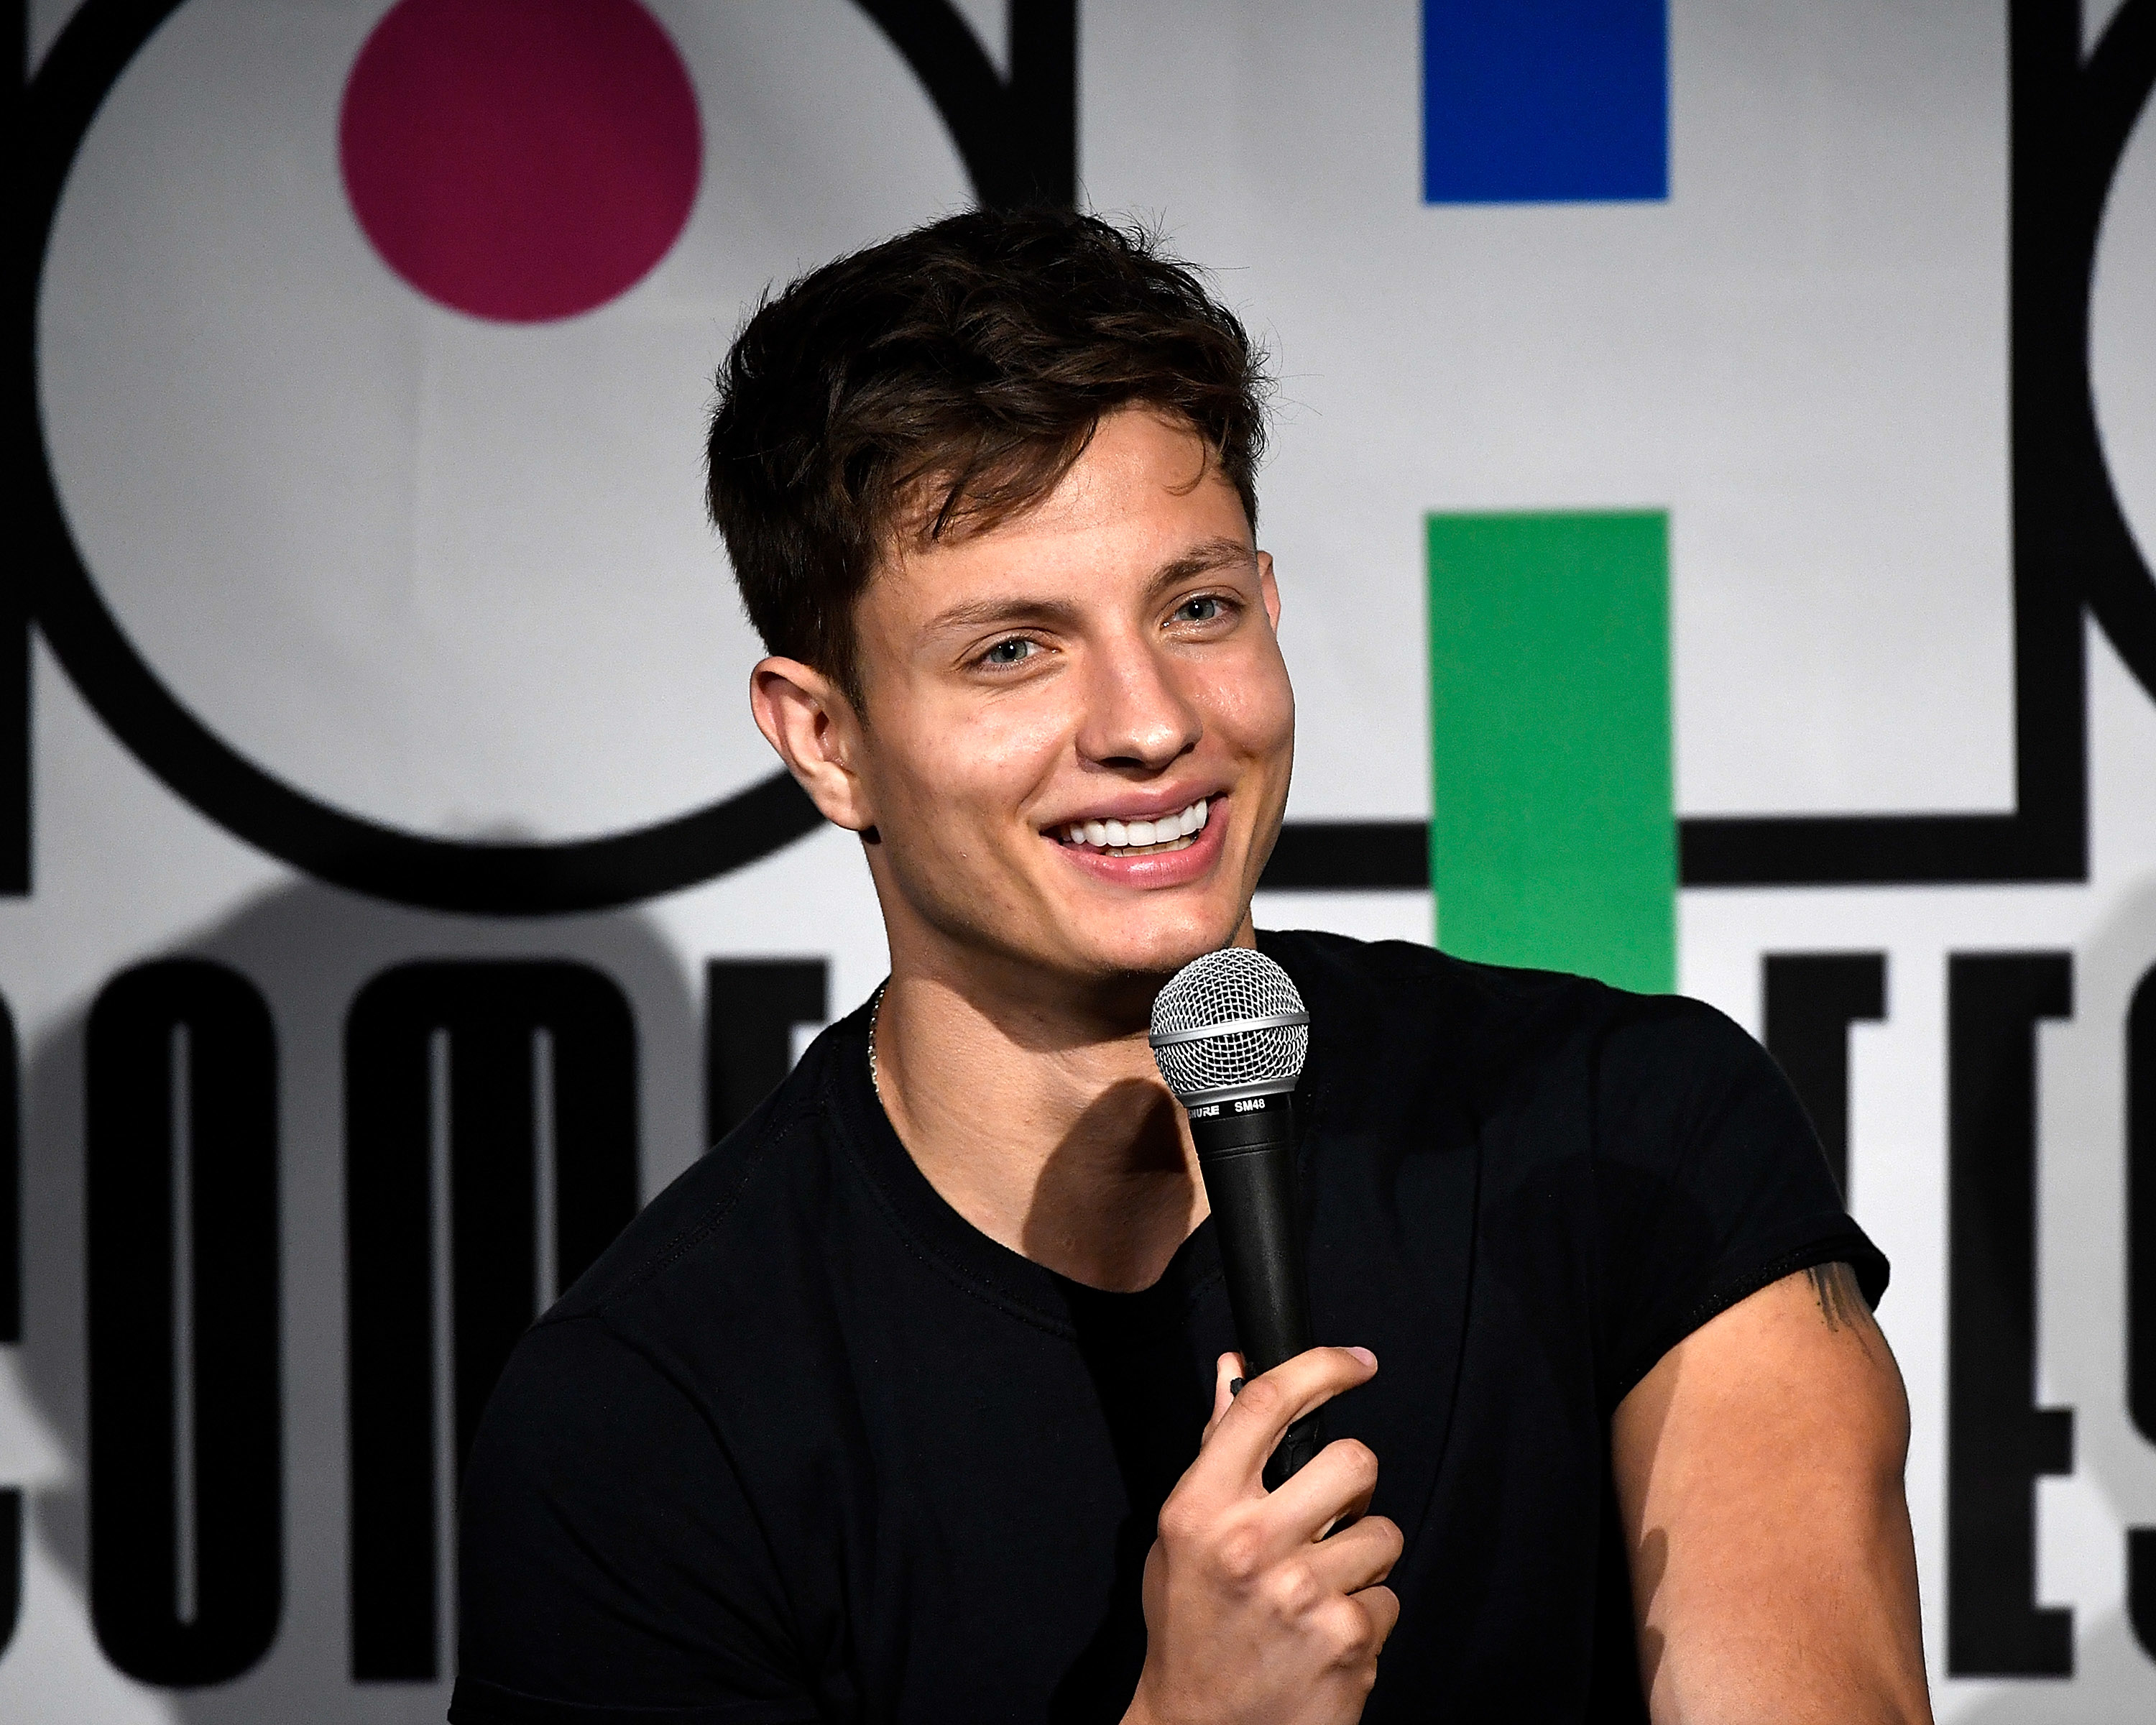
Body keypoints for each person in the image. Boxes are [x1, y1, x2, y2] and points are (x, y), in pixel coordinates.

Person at [451, 210, 1932, 1724]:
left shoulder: (1632, 1134)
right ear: (826, 740)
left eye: (1196, 608)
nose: (1150, 722)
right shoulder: (649, 1420)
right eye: (1013, 649)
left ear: (1271, 608)